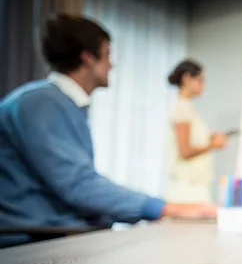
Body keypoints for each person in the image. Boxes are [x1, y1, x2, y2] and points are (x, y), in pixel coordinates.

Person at [0, 14, 216, 248]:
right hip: (34, 240)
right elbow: (78, 185)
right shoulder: (40, 104)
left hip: (57, 232)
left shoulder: (59, 104)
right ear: (87, 58)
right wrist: (162, 208)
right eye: (107, 55)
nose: (111, 65)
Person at [165, 60, 227, 203]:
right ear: (187, 78)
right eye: (200, 80)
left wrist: (209, 138)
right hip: (187, 187)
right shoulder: (181, 108)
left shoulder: (187, 107)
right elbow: (185, 152)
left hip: (194, 183)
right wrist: (213, 145)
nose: (203, 86)